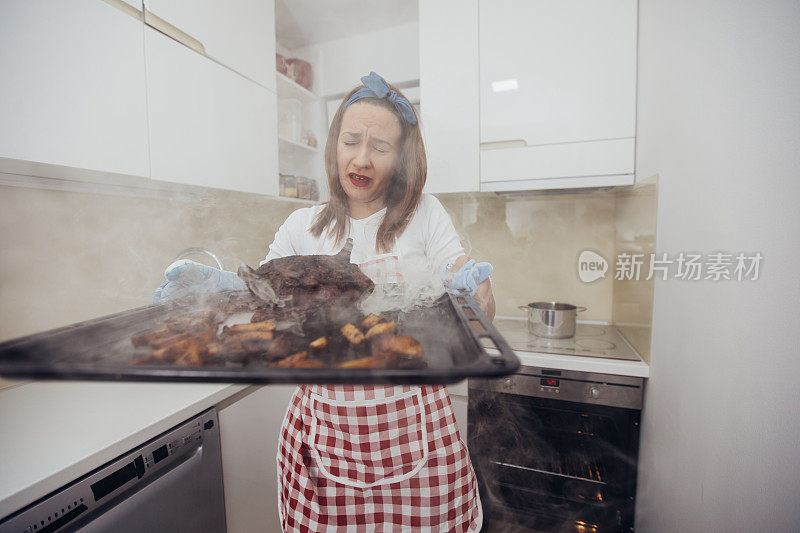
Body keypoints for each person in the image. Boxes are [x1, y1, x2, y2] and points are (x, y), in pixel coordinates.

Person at [156, 72, 494, 531]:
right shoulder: (303, 226)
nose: (361, 158)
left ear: (403, 160)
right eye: (351, 141)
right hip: (327, 438)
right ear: (334, 145)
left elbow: (463, 285)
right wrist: (215, 288)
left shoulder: (425, 214)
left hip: (414, 433)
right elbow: (261, 293)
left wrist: (473, 289)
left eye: (380, 147)